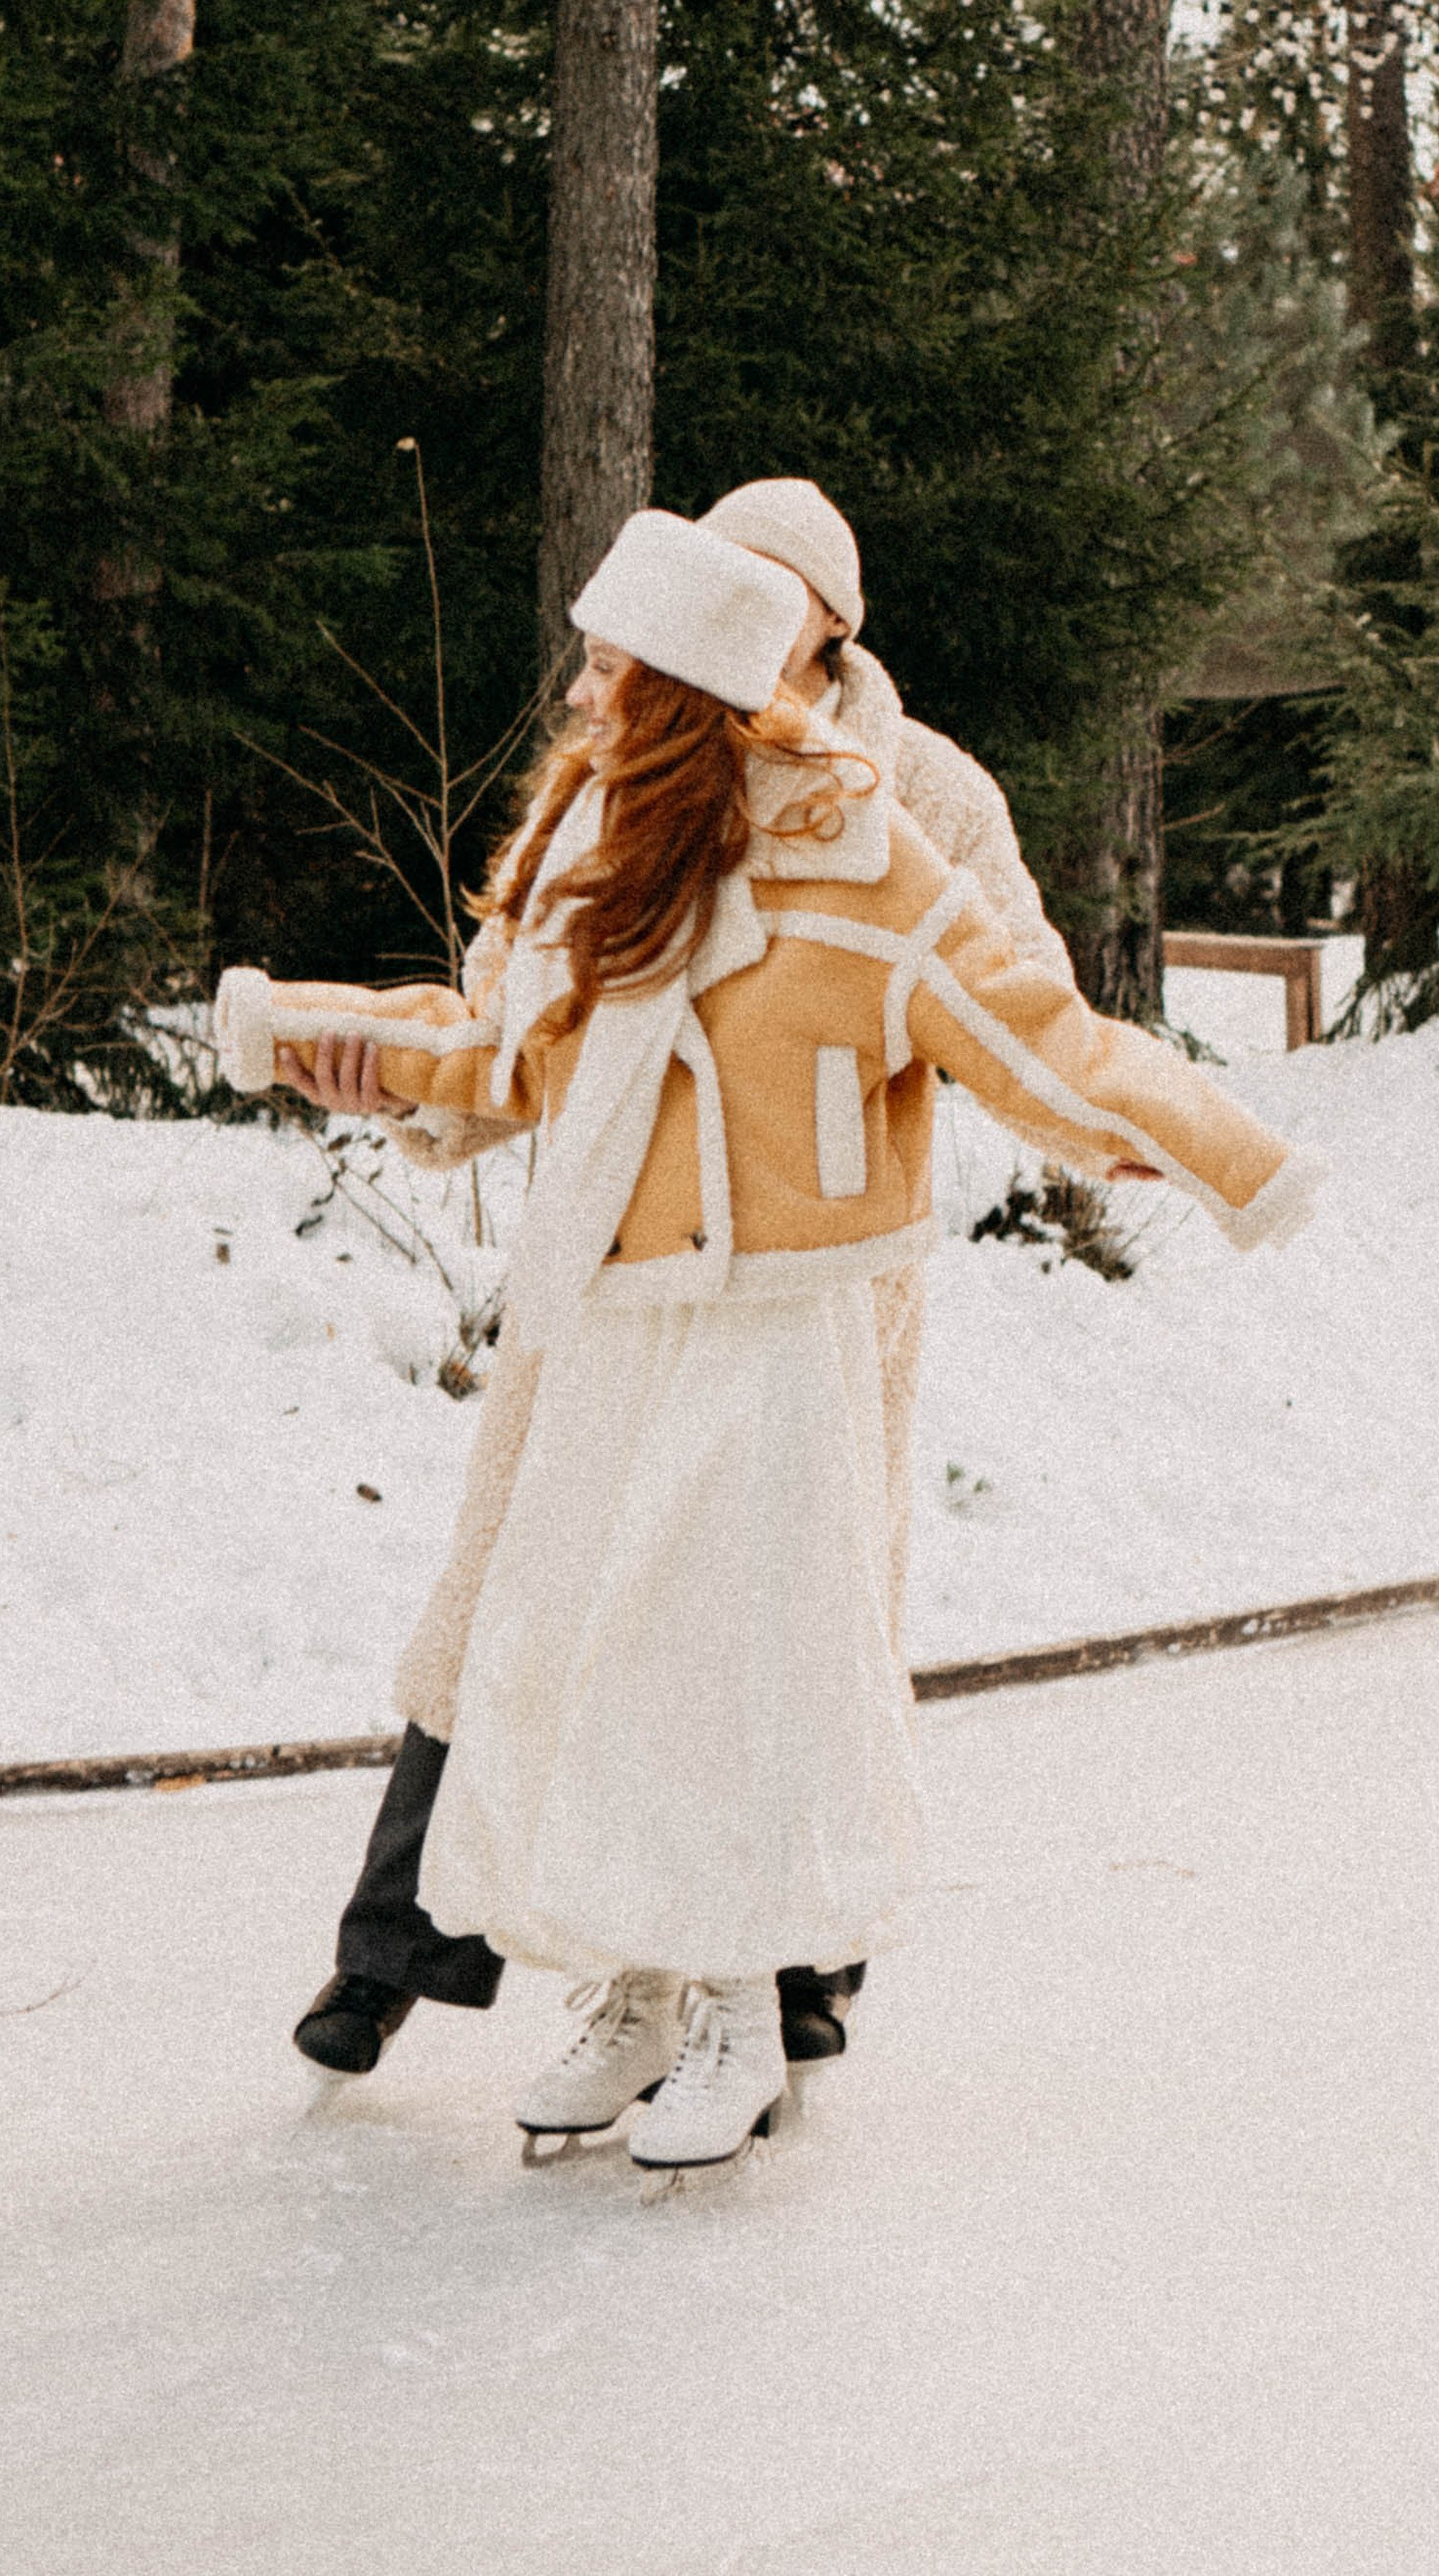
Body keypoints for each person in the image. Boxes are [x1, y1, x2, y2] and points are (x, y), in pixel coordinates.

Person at [230, 508, 1316, 2174]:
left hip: (782, 1313)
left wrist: (1219, 1150)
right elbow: (504, 1043)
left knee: (731, 1660)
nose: (581, 697)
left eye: (609, 669)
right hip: (605, 1312)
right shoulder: (595, 835)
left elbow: (1030, 1027)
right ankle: (638, 1985)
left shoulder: (877, 829)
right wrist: (327, 1044)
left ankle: (748, 1991)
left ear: (714, 669)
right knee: (587, 1652)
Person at [290, 479, 1077, 2086]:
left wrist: (875, 1061)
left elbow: (1022, 997)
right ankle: (400, 1948)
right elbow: (517, 1014)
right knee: (529, 1582)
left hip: (808, 1285)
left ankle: (797, 1969)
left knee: (789, 1607)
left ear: (834, 633)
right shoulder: (622, 770)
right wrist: (414, 1086)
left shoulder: (917, 788)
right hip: (615, 1262)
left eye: (788, 605)